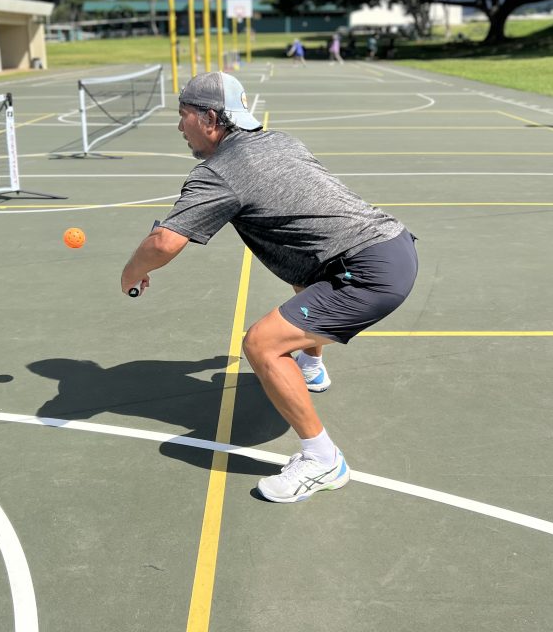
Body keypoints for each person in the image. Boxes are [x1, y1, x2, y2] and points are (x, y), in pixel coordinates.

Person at [120, 72, 418, 503]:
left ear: (209, 119)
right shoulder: (282, 141)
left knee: (261, 345)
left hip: (370, 272)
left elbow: (165, 242)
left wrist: (131, 273)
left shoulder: (219, 173)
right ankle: (311, 370)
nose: (178, 126)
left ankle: (323, 460)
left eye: (182, 115)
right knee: (301, 268)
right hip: (393, 244)